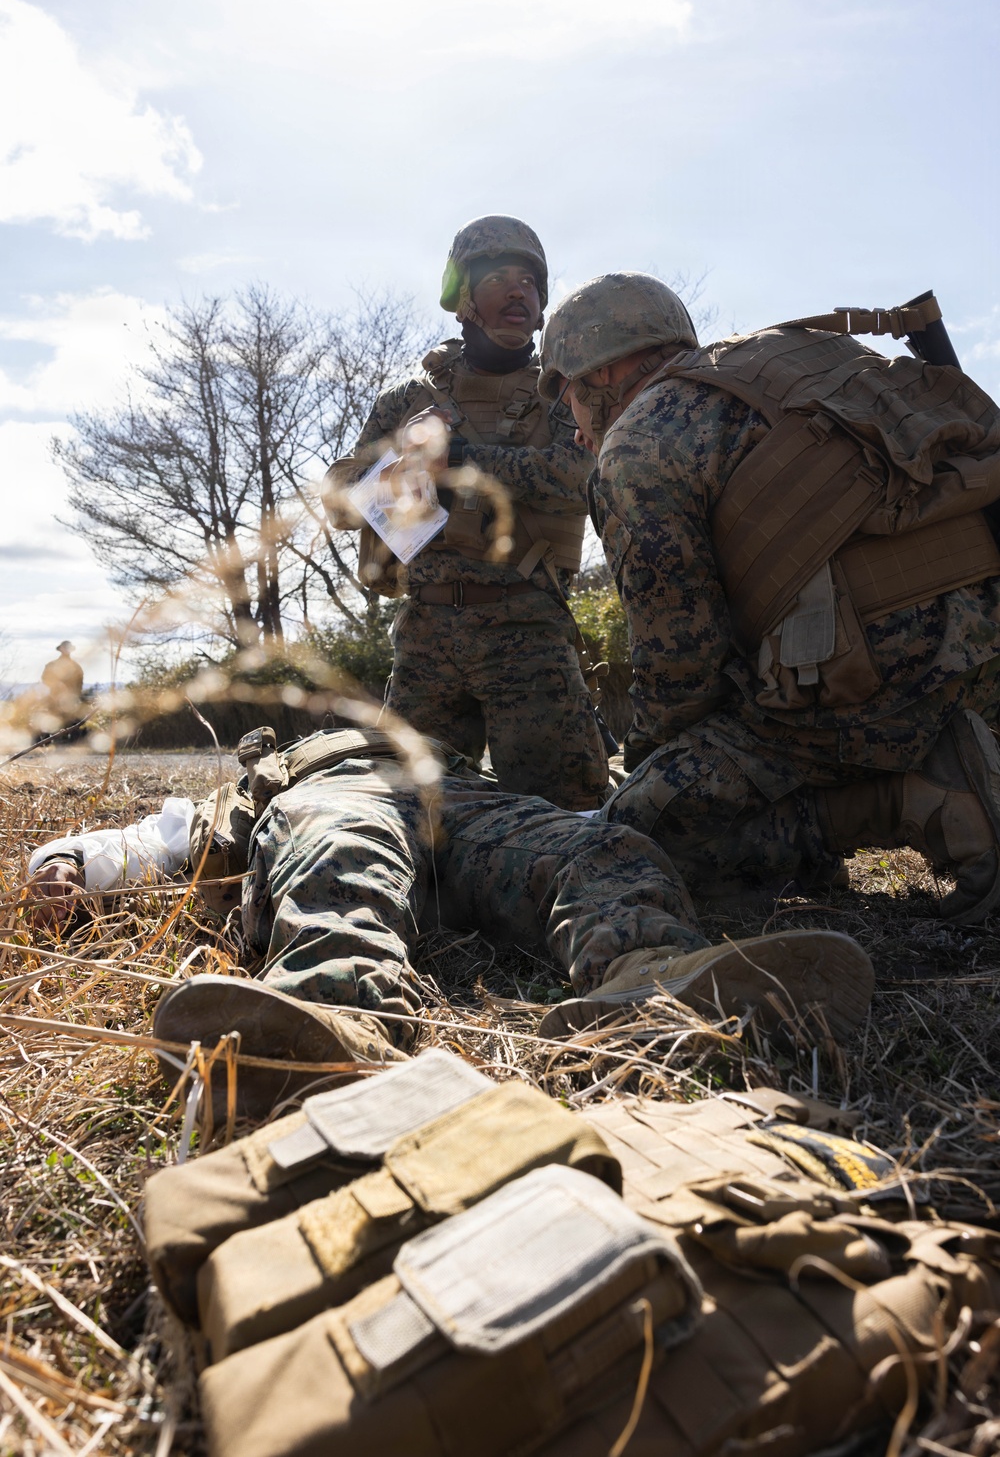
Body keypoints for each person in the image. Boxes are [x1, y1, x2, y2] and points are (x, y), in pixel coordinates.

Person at [24, 725, 874, 1115]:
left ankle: (653, 981)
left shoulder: (446, 756)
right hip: (338, 806)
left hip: (465, 803)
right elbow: (145, 837)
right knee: (335, 866)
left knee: (598, 848)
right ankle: (332, 1022)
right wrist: (61, 863)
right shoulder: (276, 779)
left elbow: (584, 822)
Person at [537, 274, 1000, 918]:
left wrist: (647, 769)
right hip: (980, 643)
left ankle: (920, 798)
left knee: (633, 838)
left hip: (880, 677)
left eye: (566, 399)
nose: (578, 432)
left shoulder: (639, 440)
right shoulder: (796, 359)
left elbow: (682, 671)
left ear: (604, 369)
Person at [322, 216, 608, 811]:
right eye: (499, 277)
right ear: (463, 301)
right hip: (426, 637)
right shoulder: (407, 401)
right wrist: (404, 469)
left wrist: (461, 461)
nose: (518, 291)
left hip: (527, 629)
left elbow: (578, 479)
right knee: (404, 817)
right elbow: (341, 500)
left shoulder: (567, 393)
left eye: (529, 279)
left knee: (567, 817)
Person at [40, 640, 84, 720]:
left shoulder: (77, 667)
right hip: (54, 700)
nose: (66, 649)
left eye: (68, 648)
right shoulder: (51, 665)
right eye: (65, 647)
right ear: (61, 649)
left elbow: (79, 684)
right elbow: (45, 679)